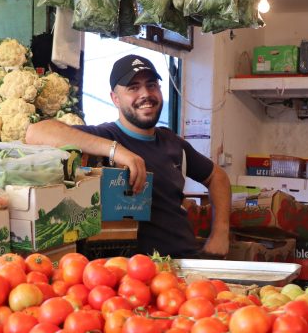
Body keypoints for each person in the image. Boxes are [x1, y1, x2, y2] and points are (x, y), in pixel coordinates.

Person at [26, 54, 231, 258]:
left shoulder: (174, 144)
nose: (145, 94)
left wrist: (221, 232)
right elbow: (35, 132)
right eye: (133, 88)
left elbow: (218, 177)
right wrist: (116, 150)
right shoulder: (103, 137)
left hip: (184, 261)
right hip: (129, 274)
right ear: (115, 98)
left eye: (151, 85)